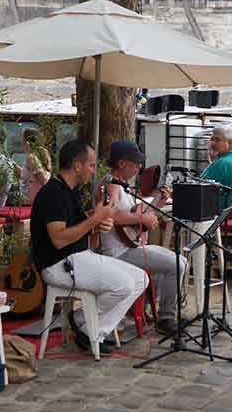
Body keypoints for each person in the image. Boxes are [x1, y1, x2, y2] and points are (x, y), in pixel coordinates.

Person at [31, 138, 148, 356]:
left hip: (79, 256)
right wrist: (95, 220)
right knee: (123, 284)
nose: (93, 171)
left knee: (141, 278)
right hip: (58, 264)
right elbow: (59, 239)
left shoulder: (72, 190)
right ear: (77, 165)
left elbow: (80, 228)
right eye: (91, 165)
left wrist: (97, 222)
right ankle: (87, 328)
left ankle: (88, 327)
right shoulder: (52, 194)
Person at [98, 140, 187, 335]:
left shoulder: (123, 186)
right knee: (177, 265)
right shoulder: (111, 185)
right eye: (135, 162)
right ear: (122, 163)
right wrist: (142, 218)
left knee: (179, 262)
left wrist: (159, 202)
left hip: (130, 247)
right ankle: (166, 318)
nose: (139, 167)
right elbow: (111, 214)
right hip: (118, 252)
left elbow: (136, 214)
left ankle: (142, 311)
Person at [189, 124, 232, 312]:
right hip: (218, 213)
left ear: (229, 142)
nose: (212, 143)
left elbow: (197, 185)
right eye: (212, 138)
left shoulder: (222, 164)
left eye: (216, 139)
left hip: (206, 215)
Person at [21, 129, 52, 205]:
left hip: (30, 198)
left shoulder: (31, 158)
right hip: (36, 196)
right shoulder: (44, 153)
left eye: (23, 140)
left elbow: (42, 179)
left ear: (27, 143)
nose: (22, 143)